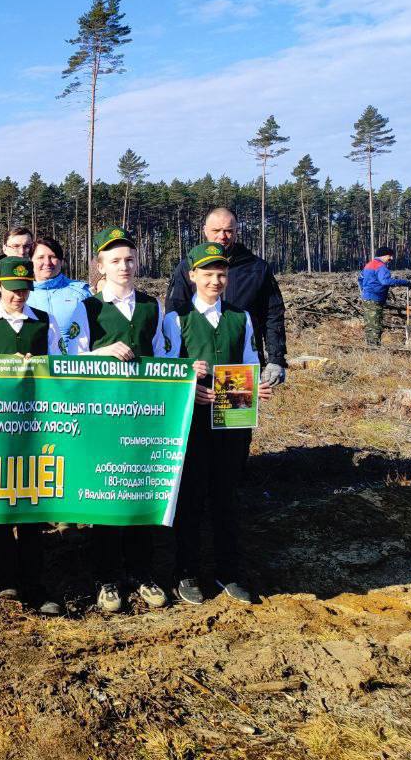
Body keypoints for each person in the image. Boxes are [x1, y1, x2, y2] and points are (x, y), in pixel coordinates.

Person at [162, 242, 274, 606]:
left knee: (226, 496)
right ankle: (186, 572)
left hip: (231, 419)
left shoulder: (240, 318)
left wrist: (255, 389)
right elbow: (164, 370)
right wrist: (186, 383)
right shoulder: (176, 319)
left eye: (221, 274)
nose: (215, 280)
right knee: (191, 497)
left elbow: (248, 363)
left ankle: (229, 571)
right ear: (192, 276)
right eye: (207, 274)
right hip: (190, 421)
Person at [76, 228, 172, 613]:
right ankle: (106, 578)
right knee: (107, 495)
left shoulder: (153, 305)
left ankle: (142, 572)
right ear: (100, 266)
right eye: (115, 260)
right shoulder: (88, 308)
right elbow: (72, 360)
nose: (124, 266)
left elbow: (166, 357)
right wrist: (102, 351)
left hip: (144, 416)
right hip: (104, 415)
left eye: (129, 259)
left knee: (141, 491)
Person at [0, 256, 69, 616]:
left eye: (25, 289)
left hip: (35, 424)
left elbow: (63, 366)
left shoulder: (44, 321)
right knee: (0, 503)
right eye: (13, 290)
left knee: (32, 505)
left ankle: (35, 582)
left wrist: (40, 367)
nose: (20, 296)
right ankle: (5, 579)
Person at [167, 207, 287, 387]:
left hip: (241, 365)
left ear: (237, 231)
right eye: (216, 230)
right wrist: (183, 370)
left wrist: (276, 359)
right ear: (205, 230)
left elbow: (273, 314)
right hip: (197, 370)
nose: (222, 236)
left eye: (228, 231)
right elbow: (174, 312)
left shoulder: (257, 268)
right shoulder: (188, 267)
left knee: (236, 413)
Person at [25, 235, 92, 333]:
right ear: (31, 261)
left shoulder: (81, 291)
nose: (47, 262)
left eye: (52, 257)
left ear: (61, 261)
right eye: (40, 257)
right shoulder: (22, 294)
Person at [359, 246, 411, 347]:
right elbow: (385, 281)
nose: (391, 258)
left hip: (367, 298)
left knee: (370, 324)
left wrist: (365, 291)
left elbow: (360, 278)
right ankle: (373, 350)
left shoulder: (369, 265)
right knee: (375, 326)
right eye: (390, 256)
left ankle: (370, 347)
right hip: (375, 299)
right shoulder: (381, 267)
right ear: (384, 255)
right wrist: (406, 282)